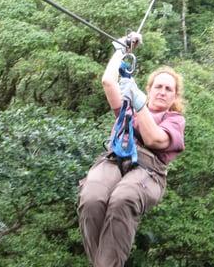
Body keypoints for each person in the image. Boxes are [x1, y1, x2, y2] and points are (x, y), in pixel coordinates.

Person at [77, 33, 186, 267]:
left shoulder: (174, 120)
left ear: (175, 96)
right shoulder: (129, 105)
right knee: (92, 198)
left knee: (122, 198)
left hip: (148, 171)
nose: (163, 91)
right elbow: (108, 81)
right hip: (115, 159)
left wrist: (139, 103)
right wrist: (120, 50)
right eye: (158, 86)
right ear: (150, 88)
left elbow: (154, 139)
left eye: (169, 89)